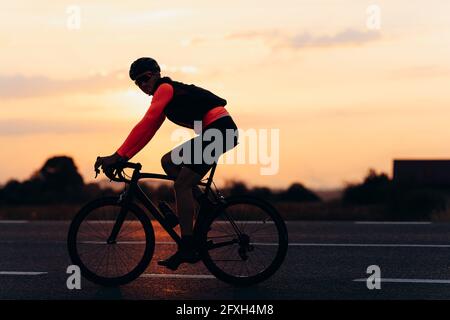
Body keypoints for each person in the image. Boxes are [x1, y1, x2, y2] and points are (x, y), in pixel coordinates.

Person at [94, 57, 239, 270]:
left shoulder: (165, 89)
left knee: (181, 185)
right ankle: (205, 205)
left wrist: (118, 156)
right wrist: (124, 156)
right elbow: (147, 132)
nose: (143, 85)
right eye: (137, 83)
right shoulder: (165, 97)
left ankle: (187, 246)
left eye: (144, 79)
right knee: (168, 162)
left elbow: (146, 122)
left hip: (220, 131)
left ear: (156, 74)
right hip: (216, 132)